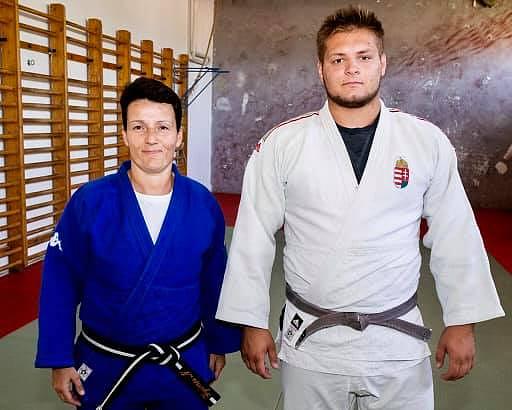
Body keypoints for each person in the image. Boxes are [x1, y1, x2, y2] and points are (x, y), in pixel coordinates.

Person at [216, 7, 504, 410]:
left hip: (397, 340)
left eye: (364, 57)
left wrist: (462, 321)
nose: (351, 68)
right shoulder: (283, 144)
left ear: (382, 63)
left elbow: (455, 234)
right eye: (338, 59)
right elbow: (253, 237)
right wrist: (251, 322)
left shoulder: (425, 141)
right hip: (312, 340)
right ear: (321, 69)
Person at [35, 77, 241, 410]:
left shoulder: (202, 203)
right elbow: (60, 283)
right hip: (106, 360)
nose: (151, 139)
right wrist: (59, 358)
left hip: (182, 359)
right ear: (125, 135)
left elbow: (214, 280)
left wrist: (218, 341)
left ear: (179, 136)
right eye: (139, 127)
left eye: (163, 127)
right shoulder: (90, 202)